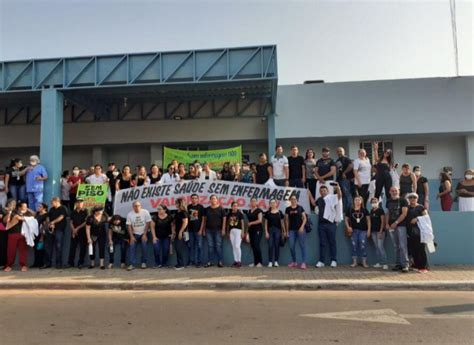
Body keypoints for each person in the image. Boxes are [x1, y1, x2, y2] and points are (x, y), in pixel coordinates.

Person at [315, 183, 342, 268]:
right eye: (321, 191)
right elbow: (313, 203)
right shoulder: (319, 200)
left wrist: (338, 187)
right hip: (321, 225)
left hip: (331, 224)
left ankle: (333, 260)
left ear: (327, 191)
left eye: (324, 190)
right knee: (322, 243)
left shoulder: (332, 197)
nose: (323, 192)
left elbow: (339, 196)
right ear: (320, 192)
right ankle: (321, 261)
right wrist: (308, 194)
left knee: (332, 242)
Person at [3, 202, 33, 272]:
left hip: (22, 234)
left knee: (23, 250)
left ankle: (23, 265)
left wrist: (26, 212)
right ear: (19, 207)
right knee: (11, 250)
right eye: (23, 206)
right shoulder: (12, 213)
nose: (24, 208)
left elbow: (33, 216)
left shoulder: (27, 213)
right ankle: (9, 265)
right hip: (12, 234)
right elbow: (5, 221)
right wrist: (9, 212)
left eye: (26, 206)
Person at [385, 187, 409, 273]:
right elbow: (388, 213)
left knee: (402, 246)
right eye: (392, 191)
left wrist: (396, 222)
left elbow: (404, 214)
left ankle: (405, 265)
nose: (394, 192)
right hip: (391, 227)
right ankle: (398, 264)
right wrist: (387, 223)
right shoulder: (388, 201)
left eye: (395, 191)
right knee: (396, 246)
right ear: (389, 192)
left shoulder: (403, 201)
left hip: (401, 226)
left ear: (398, 191)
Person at [406, 193, 429, 273]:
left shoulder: (421, 207)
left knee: (420, 249)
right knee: (413, 249)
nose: (412, 199)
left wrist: (417, 219)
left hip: (420, 232)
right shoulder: (407, 208)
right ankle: (416, 265)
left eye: (414, 197)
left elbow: (426, 217)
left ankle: (423, 267)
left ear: (417, 198)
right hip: (410, 232)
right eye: (410, 197)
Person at [345, 196, 371, 268]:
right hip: (353, 231)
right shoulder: (350, 210)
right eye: (355, 200)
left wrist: (369, 230)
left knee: (363, 245)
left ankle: (364, 262)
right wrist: (348, 227)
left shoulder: (365, 210)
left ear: (361, 201)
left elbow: (368, 220)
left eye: (358, 200)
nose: (357, 201)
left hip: (363, 230)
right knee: (354, 246)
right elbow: (346, 219)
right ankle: (354, 262)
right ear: (353, 201)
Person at [126, 201, 152, 270]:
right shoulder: (130, 214)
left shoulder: (145, 212)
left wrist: (145, 234)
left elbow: (148, 223)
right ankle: (132, 264)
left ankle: (144, 262)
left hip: (144, 233)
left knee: (144, 246)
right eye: (135, 206)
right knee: (132, 247)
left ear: (141, 206)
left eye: (138, 206)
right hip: (134, 233)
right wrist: (131, 236)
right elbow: (129, 226)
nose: (137, 207)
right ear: (133, 207)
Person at [44, 197, 68, 269]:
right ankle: (48, 263)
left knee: (58, 247)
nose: (51, 203)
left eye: (52, 202)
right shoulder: (51, 209)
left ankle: (58, 264)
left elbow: (61, 217)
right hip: (51, 229)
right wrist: (49, 223)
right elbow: (48, 216)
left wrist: (53, 222)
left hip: (59, 230)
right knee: (48, 247)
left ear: (57, 201)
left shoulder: (63, 208)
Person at [285, 195, 307, 270]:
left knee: (302, 245)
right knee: (291, 246)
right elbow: (287, 221)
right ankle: (294, 262)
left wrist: (302, 227)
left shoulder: (300, 208)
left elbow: (304, 219)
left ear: (297, 200)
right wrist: (287, 231)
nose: (293, 200)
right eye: (292, 199)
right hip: (291, 230)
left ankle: (303, 263)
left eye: (294, 199)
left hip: (300, 230)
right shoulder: (287, 209)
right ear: (290, 200)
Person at [203, 195, 226, 267]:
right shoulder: (207, 209)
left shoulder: (221, 209)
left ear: (217, 200)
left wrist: (223, 229)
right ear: (210, 200)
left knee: (218, 246)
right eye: (212, 199)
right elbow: (204, 220)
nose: (213, 200)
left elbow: (224, 220)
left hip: (218, 230)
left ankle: (220, 261)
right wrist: (203, 229)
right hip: (208, 230)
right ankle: (210, 261)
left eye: (214, 198)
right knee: (210, 246)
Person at [67, 199, 88, 269]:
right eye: (78, 203)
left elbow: (86, 222)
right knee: (72, 247)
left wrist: (77, 228)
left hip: (82, 232)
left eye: (81, 203)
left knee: (82, 248)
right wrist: (73, 229)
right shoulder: (73, 212)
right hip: (74, 232)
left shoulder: (86, 211)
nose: (79, 204)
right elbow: (71, 222)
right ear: (76, 204)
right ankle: (70, 263)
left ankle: (80, 263)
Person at [265, 199, 285, 267]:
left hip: (278, 231)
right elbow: (265, 223)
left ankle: (276, 261)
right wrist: (266, 232)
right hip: (270, 231)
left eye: (274, 203)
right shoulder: (268, 213)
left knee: (277, 246)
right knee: (270, 246)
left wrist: (284, 231)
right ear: (270, 204)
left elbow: (282, 222)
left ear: (276, 204)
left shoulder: (279, 212)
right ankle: (270, 261)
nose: (273, 204)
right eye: (271, 203)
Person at [369, 197, 388, 269]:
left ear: (378, 202)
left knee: (380, 247)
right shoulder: (371, 211)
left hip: (380, 231)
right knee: (376, 247)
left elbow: (382, 222)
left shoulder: (380, 210)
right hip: (373, 231)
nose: (374, 203)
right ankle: (379, 262)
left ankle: (385, 263)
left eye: (375, 202)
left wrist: (380, 231)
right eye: (372, 202)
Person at [187, 194, 205, 267]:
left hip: (198, 230)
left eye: (195, 198)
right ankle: (191, 261)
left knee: (199, 246)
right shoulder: (188, 207)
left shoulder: (201, 207)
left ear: (198, 199)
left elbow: (203, 219)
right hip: (190, 230)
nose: (194, 199)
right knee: (191, 246)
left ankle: (199, 262)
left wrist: (201, 229)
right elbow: (187, 218)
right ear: (191, 199)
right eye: (193, 198)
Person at [336, 147, 354, 212]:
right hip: (339, 179)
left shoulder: (346, 159)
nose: (339, 153)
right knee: (342, 195)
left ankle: (350, 209)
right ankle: (344, 210)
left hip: (345, 180)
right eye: (338, 151)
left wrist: (344, 172)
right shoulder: (337, 160)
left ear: (344, 152)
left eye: (340, 151)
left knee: (347, 194)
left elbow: (351, 166)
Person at [247, 197, 264, 267]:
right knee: (253, 246)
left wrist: (251, 223)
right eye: (252, 201)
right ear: (250, 202)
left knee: (256, 245)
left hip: (258, 230)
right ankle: (255, 262)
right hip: (251, 231)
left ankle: (260, 262)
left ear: (257, 202)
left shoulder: (259, 210)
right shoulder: (248, 211)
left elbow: (260, 220)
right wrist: (247, 232)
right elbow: (248, 222)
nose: (253, 202)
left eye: (254, 201)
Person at [227, 202, 245, 268]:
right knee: (233, 246)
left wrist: (243, 231)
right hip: (231, 231)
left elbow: (242, 223)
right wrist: (228, 232)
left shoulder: (240, 214)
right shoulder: (229, 214)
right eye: (234, 206)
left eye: (236, 206)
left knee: (237, 246)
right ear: (231, 206)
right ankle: (235, 261)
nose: (235, 207)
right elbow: (228, 224)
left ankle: (239, 261)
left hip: (238, 230)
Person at [173, 198, 189, 270]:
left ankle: (181, 264)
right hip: (177, 232)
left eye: (176, 203)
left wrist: (180, 232)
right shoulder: (177, 212)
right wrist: (174, 231)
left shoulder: (183, 212)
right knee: (177, 248)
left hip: (182, 233)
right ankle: (179, 263)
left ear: (180, 204)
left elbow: (185, 222)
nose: (175, 204)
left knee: (179, 248)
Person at [32, 202, 48, 268]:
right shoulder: (37, 214)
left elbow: (45, 225)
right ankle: (36, 263)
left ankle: (41, 263)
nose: (39, 208)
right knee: (35, 249)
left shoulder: (46, 215)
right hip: (35, 233)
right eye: (38, 206)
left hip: (41, 234)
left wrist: (42, 236)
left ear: (44, 208)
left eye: (40, 207)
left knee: (41, 249)